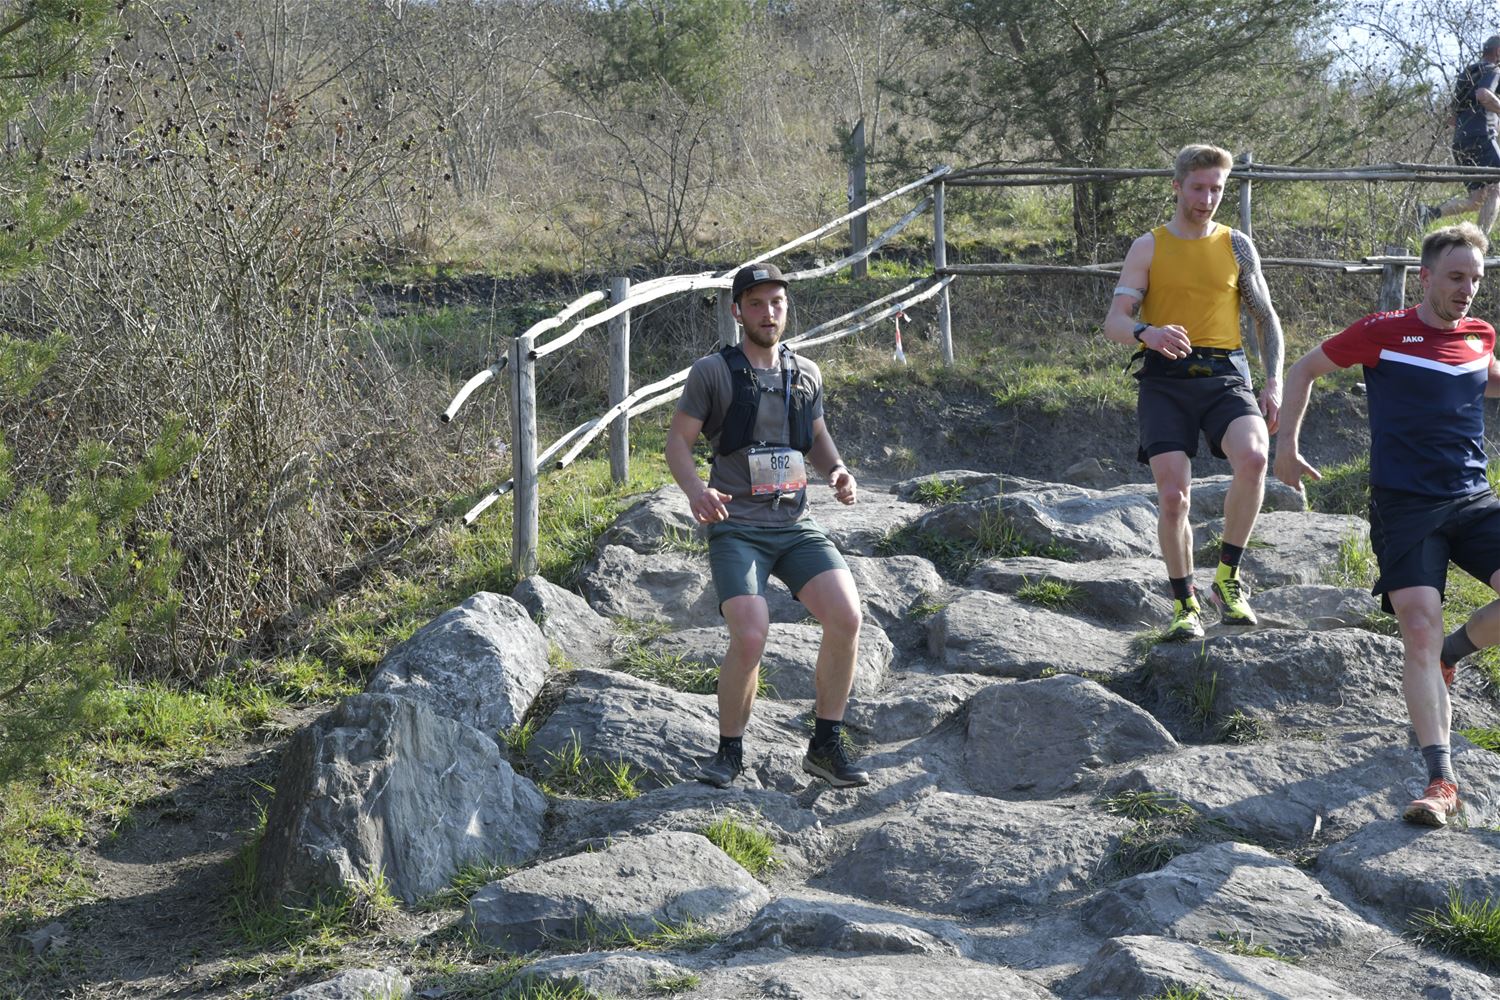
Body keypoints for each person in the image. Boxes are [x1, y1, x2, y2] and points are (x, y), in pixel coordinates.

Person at [1275, 222, 1500, 828]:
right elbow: (1303, 370)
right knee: (1419, 627)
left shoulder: (1479, 334)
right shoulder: (1382, 332)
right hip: (1405, 508)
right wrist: (1286, 447)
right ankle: (1441, 779)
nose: (1467, 289)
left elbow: (1483, 374)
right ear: (1425, 277)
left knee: (1440, 640)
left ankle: (1456, 651)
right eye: (1456, 277)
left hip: (1474, 499)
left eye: (1476, 279)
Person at [666, 262, 868, 789]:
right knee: (752, 635)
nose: (768, 313)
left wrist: (837, 471)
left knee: (847, 616)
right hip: (736, 526)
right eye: (756, 304)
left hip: (795, 524)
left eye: (776, 302)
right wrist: (697, 491)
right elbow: (678, 443)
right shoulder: (711, 372)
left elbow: (816, 435)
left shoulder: (806, 372)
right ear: (737, 312)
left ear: (786, 308)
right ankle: (729, 752)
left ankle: (825, 746)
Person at [1103, 144, 1286, 640]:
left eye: (1216, 190)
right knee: (1173, 498)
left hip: (1225, 375)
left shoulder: (1237, 245)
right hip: (1165, 381)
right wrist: (1148, 333)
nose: (1207, 199)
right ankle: (1185, 603)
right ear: (1177, 187)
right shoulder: (1149, 247)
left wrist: (1273, 380)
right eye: (1198, 188)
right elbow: (1114, 322)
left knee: (1254, 458)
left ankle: (1227, 579)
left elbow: (1266, 319)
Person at [1420, 35, 1500, 233]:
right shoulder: (1493, 70)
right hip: (1482, 137)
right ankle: (1482, 240)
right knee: (1497, 187)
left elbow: (1451, 117)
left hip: (1461, 141)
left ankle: (1430, 213)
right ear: (1498, 51)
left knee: (1476, 200)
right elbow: (1483, 95)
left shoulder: (1467, 74)